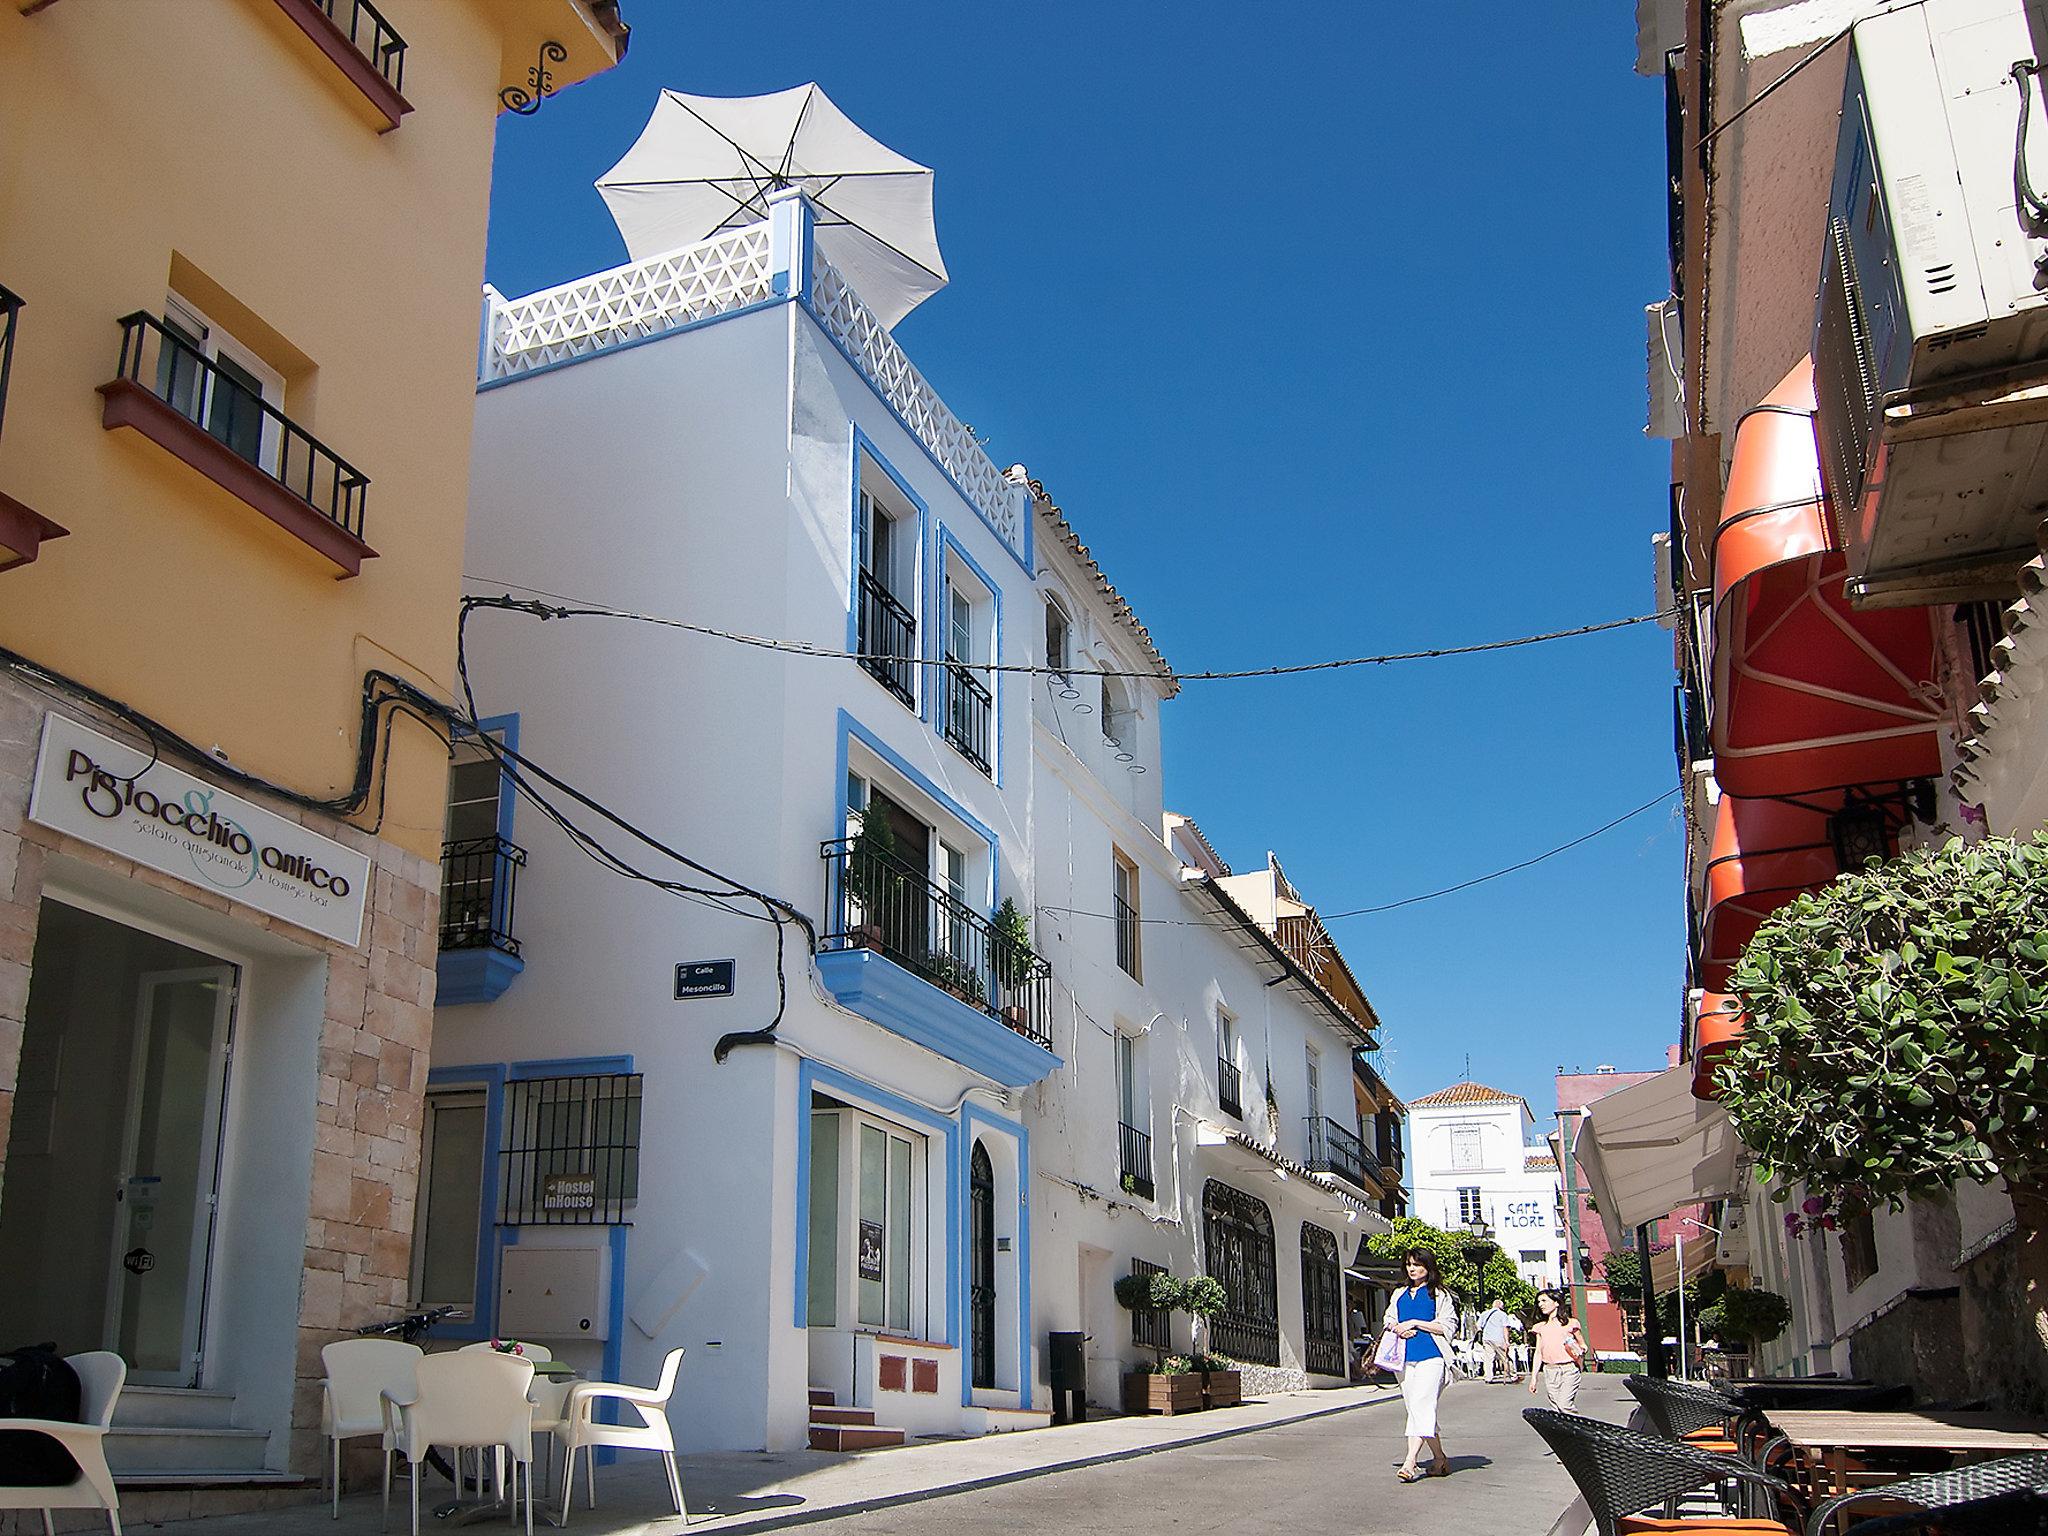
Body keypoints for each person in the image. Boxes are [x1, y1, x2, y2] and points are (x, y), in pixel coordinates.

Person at [1384, 1249, 1457, 1482]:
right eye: (1408, 1264)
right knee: (1416, 1408)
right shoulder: (1399, 1293)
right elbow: (1389, 1319)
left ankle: (1410, 1461)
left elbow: (1448, 1326)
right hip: (1405, 1358)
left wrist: (1416, 1322)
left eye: (1417, 1264)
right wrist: (1398, 1328)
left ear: (1428, 1266)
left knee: (1422, 1404)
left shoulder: (1439, 1294)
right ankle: (1439, 1458)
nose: (1412, 1269)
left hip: (1432, 1355)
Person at [1526, 1288, 1587, 1411]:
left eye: (1544, 1301)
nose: (1541, 1304)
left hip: (1569, 1369)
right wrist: (1534, 1378)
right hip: (1550, 1370)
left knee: (1564, 1405)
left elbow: (1583, 1345)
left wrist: (1577, 1350)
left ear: (1556, 1303)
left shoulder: (1571, 1323)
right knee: (1556, 1408)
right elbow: (1538, 1353)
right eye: (1539, 1302)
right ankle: (1563, 1429)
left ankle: (1576, 1428)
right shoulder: (1540, 1327)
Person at [1474, 1299, 1523, 1383]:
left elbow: (1478, 1326)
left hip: (1487, 1338)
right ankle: (1513, 1376)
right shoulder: (1502, 1315)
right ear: (1501, 1306)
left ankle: (1488, 1377)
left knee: (1488, 1359)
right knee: (1505, 1358)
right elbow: (1505, 1328)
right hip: (1498, 1338)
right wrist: (1507, 1341)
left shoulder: (1484, 1314)